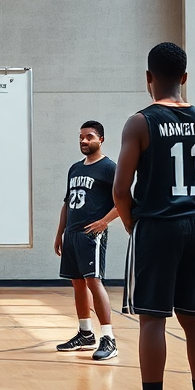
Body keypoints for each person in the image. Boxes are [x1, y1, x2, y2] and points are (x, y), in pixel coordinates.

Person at [112, 42, 195, 390]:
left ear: (148, 78)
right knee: (194, 318)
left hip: (157, 226)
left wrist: (133, 224)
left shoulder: (140, 122)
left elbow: (120, 190)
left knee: (152, 319)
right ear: (184, 77)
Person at [54, 120, 119, 360]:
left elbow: (124, 200)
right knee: (78, 283)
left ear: (101, 139)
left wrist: (104, 222)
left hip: (92, 234)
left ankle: (109, 338)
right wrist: (60, 233)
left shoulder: (109, 168)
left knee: (94, 281)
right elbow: (66, 204)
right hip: (72, 234)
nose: (83, 140)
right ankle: (85, 333)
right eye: (81, 137)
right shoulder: (74, 168)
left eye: (89, 136)